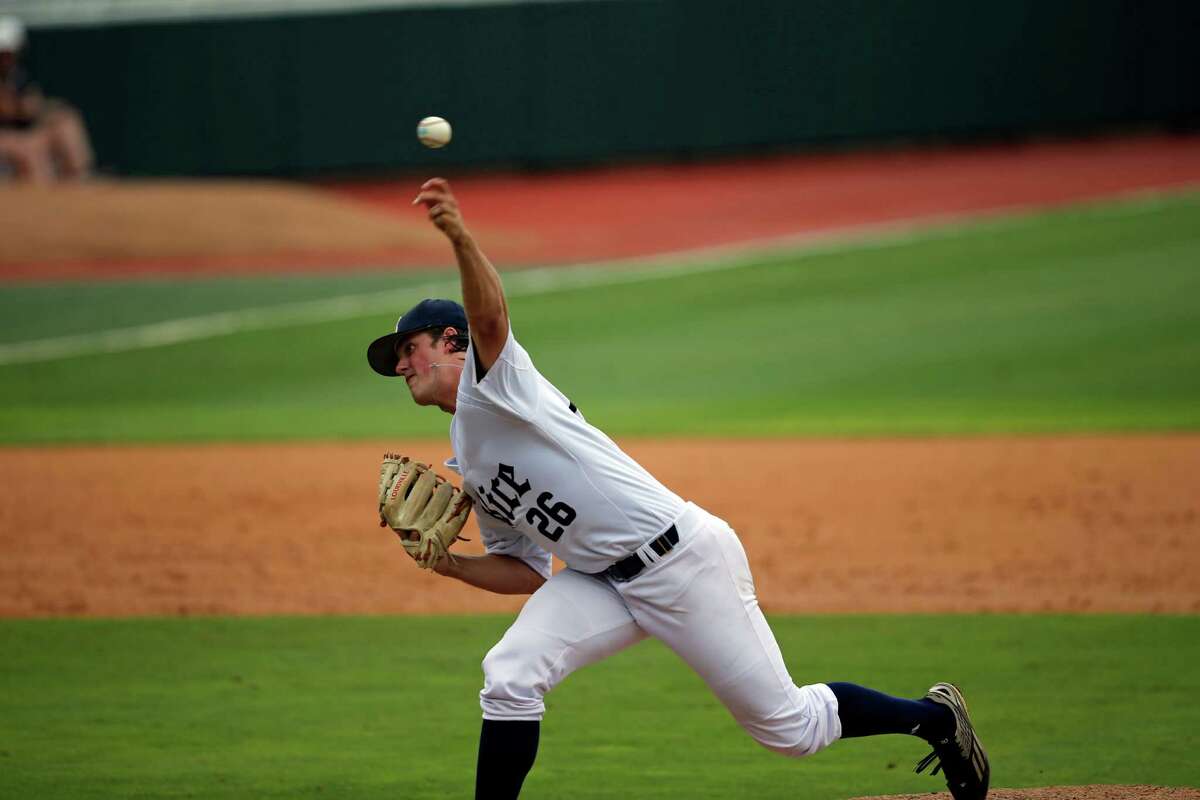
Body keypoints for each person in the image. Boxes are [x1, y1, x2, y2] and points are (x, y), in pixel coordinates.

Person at [366, 178, 990, 800]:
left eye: (408, 349)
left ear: (452, 342)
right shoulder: (469, 458)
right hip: (599, 580)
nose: (400, 366)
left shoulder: (494, 384)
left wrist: (460, 237)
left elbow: (491, 315)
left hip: (684, 561)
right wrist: (451, 565)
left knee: (791, 730)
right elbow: (526, 570)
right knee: (509, 673)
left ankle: (937, 720)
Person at [0, 15, 94, 183]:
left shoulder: (18, 76)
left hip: (23, 131)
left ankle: (81, 183)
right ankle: (42, 200)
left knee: (66, 122)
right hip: (8, 136)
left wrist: (46, 109)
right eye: (3, 53)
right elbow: (14, 109)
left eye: (10, 53)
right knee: (31, 148)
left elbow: (30, 106)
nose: (7, 58)